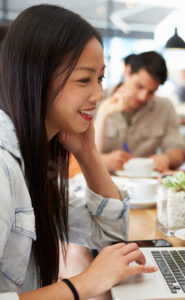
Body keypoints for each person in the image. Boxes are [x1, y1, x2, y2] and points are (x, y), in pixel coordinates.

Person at [0, 5, 157, 300]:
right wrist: (81, 284)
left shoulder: (36, 160)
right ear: (37, 77)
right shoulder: (3, 165)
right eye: (84, 79)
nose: (98, 94)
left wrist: (87, 152)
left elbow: (111, 238)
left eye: (100, 78)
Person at [95, 51, 185, 173]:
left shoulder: (165, 107)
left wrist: (166, 158)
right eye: (139, 86)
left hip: (145, 184)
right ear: (127, 72)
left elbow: (178, 151)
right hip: (102, 181)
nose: (143, 97)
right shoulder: (97, 100)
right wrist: (101, 162)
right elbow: (73, 156)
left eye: (151, 92)